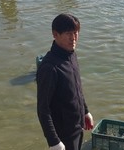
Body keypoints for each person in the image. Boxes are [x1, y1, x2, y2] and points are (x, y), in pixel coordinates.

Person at [37, 14, 94, 150]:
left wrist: (85, 111)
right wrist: (54, 141)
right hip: (63, 135)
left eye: (76, 33)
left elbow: (76, 88)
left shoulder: (71, 55)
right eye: (68, 33)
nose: (73, 38)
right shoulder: (50, 67)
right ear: (55, 34)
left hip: (77, 127)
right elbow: (42, 109)